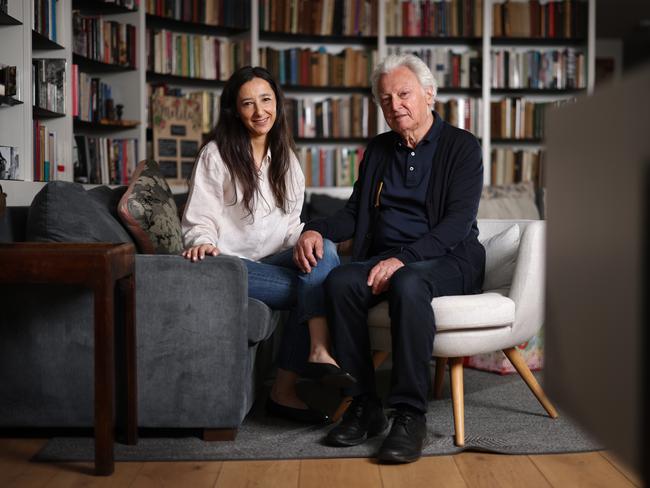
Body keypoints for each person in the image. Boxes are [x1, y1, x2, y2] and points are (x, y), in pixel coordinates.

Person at [294, 54, 485, 463]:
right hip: (386, 257)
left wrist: (404, 260)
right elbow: (353, 212)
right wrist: (315, 229)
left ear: (429, 95)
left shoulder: (463, 147)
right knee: (341, 282)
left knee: (408, 281)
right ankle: (365, 405)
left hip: (449, 257)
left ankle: (409, 414)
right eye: (386, 99)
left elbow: (456, 224)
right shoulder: (379, 150)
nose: (395, 105)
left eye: (404, 93)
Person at [181, 66, 353, 425]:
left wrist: (307, 242)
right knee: (317, 287)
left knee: (326, 251)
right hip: (229, 264)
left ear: (278, 104)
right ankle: (296, 377)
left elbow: (291, 227)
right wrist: (203, 243)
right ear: (234, 110)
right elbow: (200, 217)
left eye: (266, 100)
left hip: (274, 259)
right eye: (248, 103)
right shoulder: (217, 154)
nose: (259, 112)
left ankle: (317, 355)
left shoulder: (287, 160)